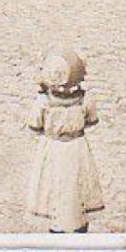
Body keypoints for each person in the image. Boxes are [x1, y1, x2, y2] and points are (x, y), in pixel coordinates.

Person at [24, 48, 103, 232]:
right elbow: (91, 121)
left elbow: (35, 125)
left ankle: (57, 226)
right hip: (77, 149)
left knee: (54, 186)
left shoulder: (43, 102)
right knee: (77, 186)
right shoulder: (85, 100)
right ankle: (79, 224)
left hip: (52, 149)